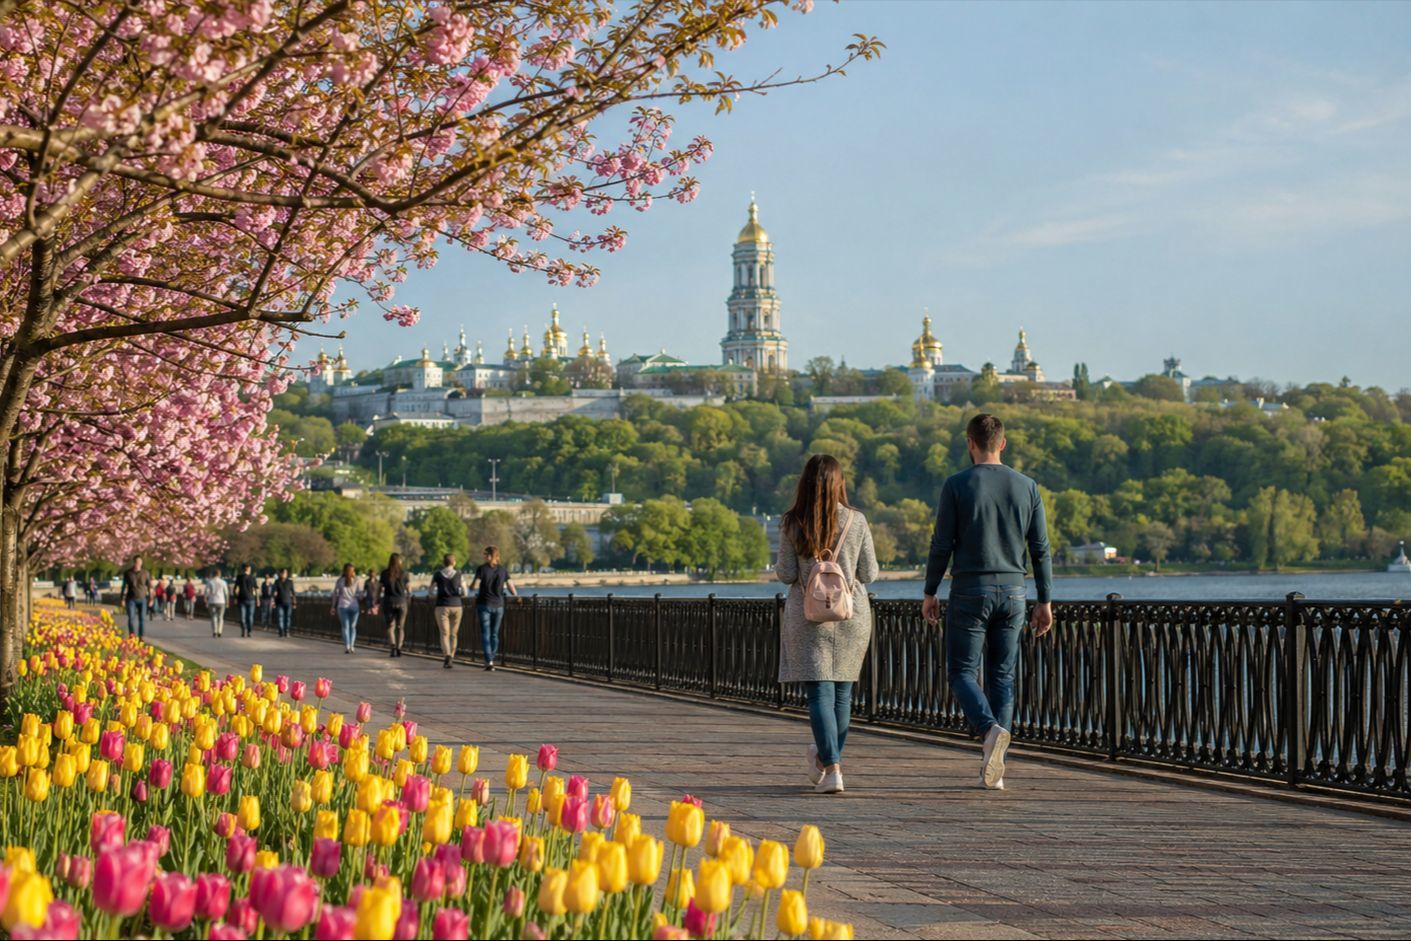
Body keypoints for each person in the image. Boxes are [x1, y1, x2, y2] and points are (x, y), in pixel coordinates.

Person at [922, 413, 1054, 791]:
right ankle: (995, 770)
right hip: (1014, 590)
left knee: (962, 672)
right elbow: (1040, 549)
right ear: (1003, 442)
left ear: (970, 442)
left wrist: (930, 591)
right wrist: (1044, 599)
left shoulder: (956, 485)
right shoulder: (1027, 487)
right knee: (1002, 677)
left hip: (970, 589)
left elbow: (941, 544)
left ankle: (988, 730)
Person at [776, 454, 879, 795]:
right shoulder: (857, 521)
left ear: (804, 483)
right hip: (851, 615)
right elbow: (870, 573)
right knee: (842, 694)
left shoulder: (792, 522)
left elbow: (787, 574)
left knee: (820, 692)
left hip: (807, 616)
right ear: (839, 483)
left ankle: (831, 766)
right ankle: (825, 759)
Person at [470, 546, 516, 671]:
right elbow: (510, 585)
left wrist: (472, 586)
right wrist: (516, 596)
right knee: (494, 634)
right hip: (499, 605)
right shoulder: (503, 570)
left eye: (486, 554)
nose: (484, 556)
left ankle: (488, 660)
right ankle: (491, 657)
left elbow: (475, 586)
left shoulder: (481, 569)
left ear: (491, 555)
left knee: (486, 633)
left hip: (484, 604)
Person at [431, 553, 465, 669]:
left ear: (443, 563)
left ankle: (447, 656)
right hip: (457, 605)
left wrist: (437, 593)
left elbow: (430, 591)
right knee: (454, 634)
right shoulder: (459, 574)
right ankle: (452, 656)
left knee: (444, 633)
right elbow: (465, 592)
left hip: (442, 606)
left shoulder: (437, 575)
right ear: (454, 562)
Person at [380, 554, 410, 658]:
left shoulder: (384, 573)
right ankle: (399, 647)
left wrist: (376, 599)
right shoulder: (404, 573)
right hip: (401, 601)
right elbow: (409, 589)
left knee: (390, 626)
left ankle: (392, 647)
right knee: (400, 627)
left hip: (388, 601)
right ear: (399, 561)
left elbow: (380, 588)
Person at [331, 563, 363, 654]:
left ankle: (347, 646)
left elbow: (335, 595)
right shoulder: (357, 580)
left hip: (342, 606)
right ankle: (352, 646)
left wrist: (333, 606)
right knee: (353, 627)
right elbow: (360, 596)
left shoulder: (340, 581)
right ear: (353, 571)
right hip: (354, 606)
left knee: (345, 627)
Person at [118, 556, 152, 639]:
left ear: (141, 563)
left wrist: (151, 598)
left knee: (142, 619)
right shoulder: (128, 573)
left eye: (139, 562)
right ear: (134, 562)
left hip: (142, 598)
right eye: (136, 562)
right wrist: (122, 599)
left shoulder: (145, 573)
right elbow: (124, 587)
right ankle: (132, 635)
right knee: (131, 618)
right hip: (131, 599)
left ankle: (141, 637)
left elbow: (149, 587)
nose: (138, 564)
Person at [234, 564, 259, 637]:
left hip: (242, 599)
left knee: (243, 617)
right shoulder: (252, 577)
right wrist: (257, 599)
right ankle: (249, 631)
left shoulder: (239, 577)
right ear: (248, 569)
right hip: (250, 599)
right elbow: (256, 589)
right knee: (249, 617)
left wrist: (235, 597)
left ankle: (245, 630)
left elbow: (235, 589)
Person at [204, 568, 229, 637]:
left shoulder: (210, 582)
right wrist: (227, 601)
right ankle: (219, 631)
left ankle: (214, 631)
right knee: (220, 617)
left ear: (213, 574)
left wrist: (205, 599)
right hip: (221, 601)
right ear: (219, 574)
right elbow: (226, 593)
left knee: (213, 617)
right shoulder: (223, 582)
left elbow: (207, 592)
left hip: (212, 601)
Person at [273, 568, 296, 638]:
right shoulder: (277, 582)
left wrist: (294, 602)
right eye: (283, 573)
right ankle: (281, 630)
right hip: (279, 603)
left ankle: (287, 631)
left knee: (287, 618)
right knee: (280, 617)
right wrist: (273, 600)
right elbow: (274, 592)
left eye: (285, 573)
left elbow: (293, 593)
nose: (284, 574)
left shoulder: (290, 582)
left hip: (288, 602)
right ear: (280, 574)